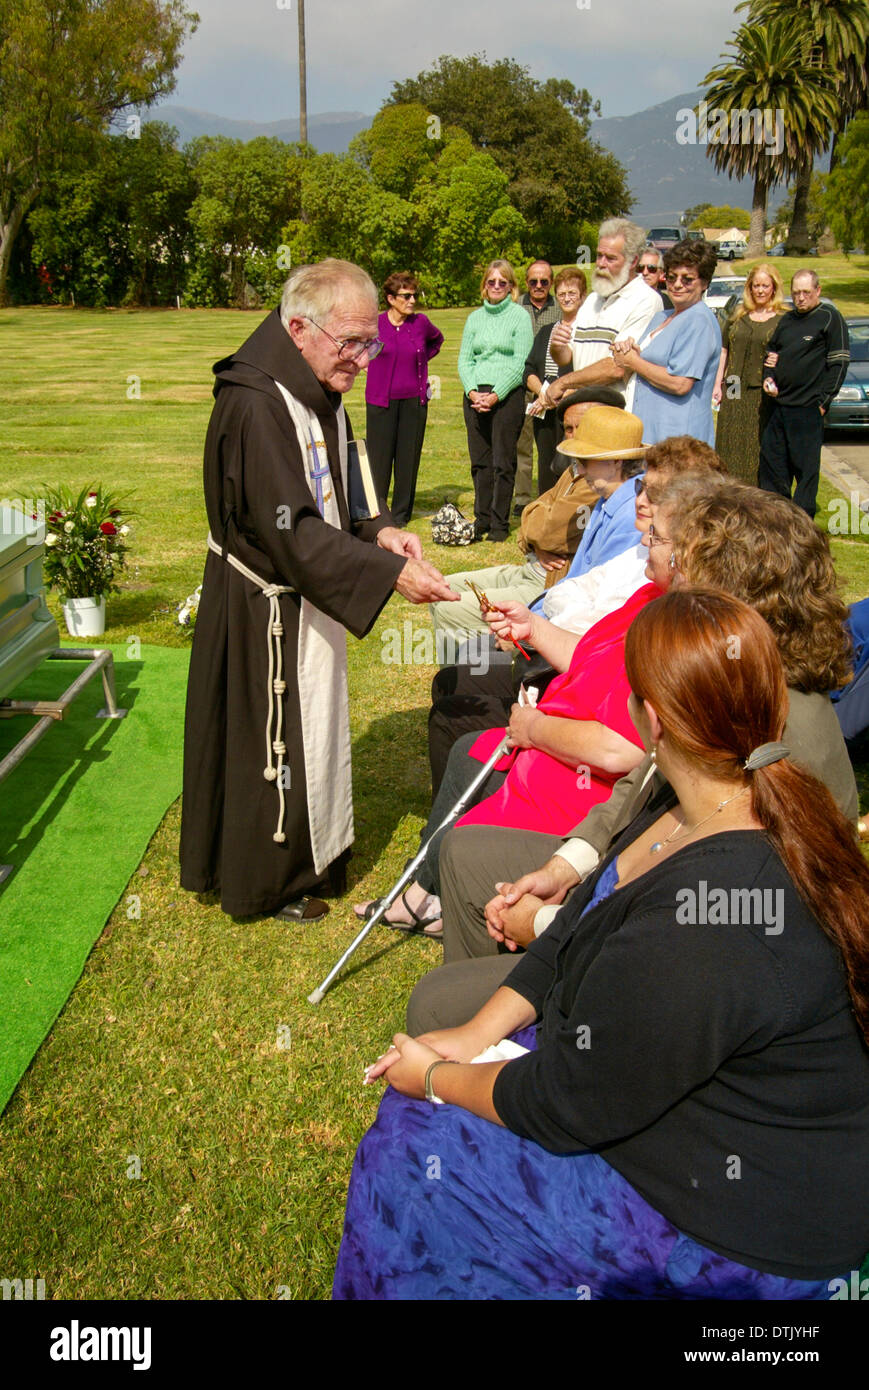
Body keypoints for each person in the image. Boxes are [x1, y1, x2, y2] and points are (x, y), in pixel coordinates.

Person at [336, 589, 869, 1300]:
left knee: (408, 1153)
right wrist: (469, 1035)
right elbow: (574, 937)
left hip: (743, 1235)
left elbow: (562, 1104)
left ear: (648, 715)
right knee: (433, 1066)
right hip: (687, 1127)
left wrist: (432, 1080)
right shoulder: (689, 806)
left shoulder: (710, 913)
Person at [423, 474, 858, 990]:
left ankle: (523, 1032)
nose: (669, 581)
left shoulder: (775, 727)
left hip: (682, 962)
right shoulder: (730, 679)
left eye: (686, 569)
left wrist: (549, 924)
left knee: (438, 999)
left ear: (732, 592)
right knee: (467, 853)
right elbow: (643, 787)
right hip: (637, 884)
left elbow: (688, 912)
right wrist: (565, 866)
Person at [179, 259, 456, 922]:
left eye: (369, 344)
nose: (361, 359)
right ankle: (267, 879)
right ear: (298, 327)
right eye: (351, 343)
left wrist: (378, 529)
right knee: (270, 740)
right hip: (263, 605)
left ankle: (314, 859)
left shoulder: (310, 379)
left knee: (311, 731)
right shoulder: (256, 400)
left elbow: (339, 470)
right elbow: (290, 530)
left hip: (301, 593)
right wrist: (390, 575)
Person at [427, 404, 648, 792]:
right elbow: (544, 536)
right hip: (554, 634)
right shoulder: (611, 501)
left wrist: (532, 628)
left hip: (565, 661)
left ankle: (483, 787)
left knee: (455, 696)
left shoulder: (632, 515)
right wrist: (529, 620)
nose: (577, 467)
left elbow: (595, 612)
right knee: (454, 680)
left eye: (586, 459)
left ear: (614, 462)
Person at [428, 390, 616, 650]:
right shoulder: (574, 468)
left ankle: (470, 678)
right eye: (568, 428)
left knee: (451, 608)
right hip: (532, 566)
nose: (573, 435)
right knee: (442, 588)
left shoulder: (597, 479)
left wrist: (538, 529)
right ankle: (462, 673)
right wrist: (534, 538)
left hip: (548, 582)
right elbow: (533, 513)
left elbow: (549, 529)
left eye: (581, 427)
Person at [611, 238, 721, 446]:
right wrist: (629, 350)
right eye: (671, 278)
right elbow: (646, 361)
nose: (678, 284)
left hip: (678, 440)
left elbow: (680, 383)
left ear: (704, 283)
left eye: (687, 279)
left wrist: (633, 362)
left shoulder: (698, 319)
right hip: (648, 432)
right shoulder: (662, 316)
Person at [759, 270, 850, 517]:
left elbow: (839, 363)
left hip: (807, 410)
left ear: (817, 291)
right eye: (796, 293)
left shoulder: (829, 318)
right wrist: (769, 377)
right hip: (779, 408)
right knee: (773, 468)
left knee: (806, 473)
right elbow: (772, 353)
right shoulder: (787, 320)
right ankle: (777, 519)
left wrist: (823, 403)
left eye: (806, 293)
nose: (800, 298)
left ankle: (802, 524)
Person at [547, 219, 662, 409]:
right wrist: (557, 347)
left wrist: (564, 383)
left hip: (614, 415)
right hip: (582, 410)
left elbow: (617, 367)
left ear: (633, 261)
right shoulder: (593, 299)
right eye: (599, 255)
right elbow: (567, 356)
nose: (600, 263)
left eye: (610, 258)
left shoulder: (646, 300)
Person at [457, 259, 534, 541]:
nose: (497, 286)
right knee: (480, 461)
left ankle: (500, 524)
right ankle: (482, 518)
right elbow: (465, 360)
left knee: (503, 461)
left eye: (503, 282)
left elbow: (520, 362)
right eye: (492, 282)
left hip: (507, 395)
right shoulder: (474, 319)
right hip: (475, 394)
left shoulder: (520, 317)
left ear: (512, 287)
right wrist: (472, 391)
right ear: (484, 286)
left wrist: (495, 394)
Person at [364, 271, 443, 527]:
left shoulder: (420, 323)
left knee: (408, 459)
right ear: (390, 298)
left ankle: (400, 515)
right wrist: (365, 364)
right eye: (406, 296)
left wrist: (419, 362)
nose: (412, 300)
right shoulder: (374, 325)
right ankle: (377, 511)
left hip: (414, 401)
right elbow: (357, 348)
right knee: (379, 460)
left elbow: (437, 340)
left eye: (414, 295)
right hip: (380, 401)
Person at [712, 263, 785, 486]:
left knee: (753, 443)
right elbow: (724, 350)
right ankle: (726, 488)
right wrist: (718, 385)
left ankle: (752, 492)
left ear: (773, 288)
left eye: (765, 286)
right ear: (749, 288)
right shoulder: (737, 316)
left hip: (758, 390)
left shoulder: (782, 320)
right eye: (756, 286)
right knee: (730, 439)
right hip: (733, 384)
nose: (760, 291)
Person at [523, 267, 587, 495]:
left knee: (572, 466)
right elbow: (529, 368)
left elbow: (587, 373)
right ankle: (546, 514)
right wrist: (543, 394)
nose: (567, 298)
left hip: (574, 410)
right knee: (547, 466)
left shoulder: (586, 332)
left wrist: (559, 397)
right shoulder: (546, 332)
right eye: (562, 294)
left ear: (583, 296)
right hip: (544, 412)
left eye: (572, 293)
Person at [514, 259, 560, 510]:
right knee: (522, 446)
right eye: (533, 281)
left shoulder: (560, 307)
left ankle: (552, 496)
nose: (539, 285)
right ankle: (522, 499)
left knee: (550, 448)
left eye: (544, 281)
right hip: (522, 386)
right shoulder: (516, 306)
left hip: (552, 390)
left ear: (551, 282)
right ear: (526, 282)